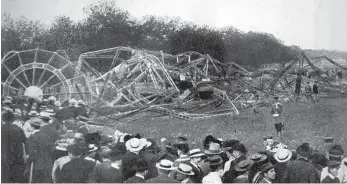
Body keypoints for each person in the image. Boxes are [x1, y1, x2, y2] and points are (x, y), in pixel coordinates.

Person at [1, 110, 27, 183]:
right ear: (13, 119)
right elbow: (25, 141)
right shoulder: (18, 128)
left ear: (2, 119)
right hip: (16, 158)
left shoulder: (1, 128)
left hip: (3, 158)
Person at [26, 117, 54, 183]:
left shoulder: (32, 137)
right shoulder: (46, 136)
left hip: (36, 165)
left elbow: (32, 153)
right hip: (47, 163)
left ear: (32, 127)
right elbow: (51, 149)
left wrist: (28, 162)